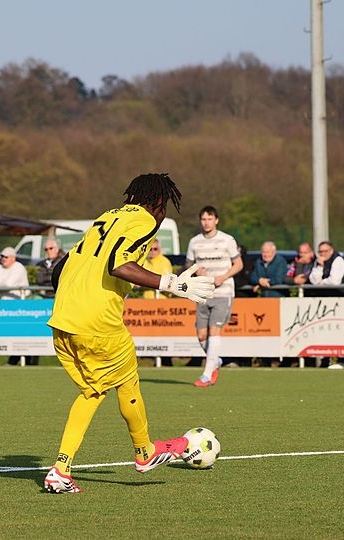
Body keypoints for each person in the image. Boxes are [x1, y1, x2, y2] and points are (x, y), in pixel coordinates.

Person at [43, 172, 215, 494]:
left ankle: (60, 470)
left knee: (93, 391)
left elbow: (59, 270)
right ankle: (144, 452)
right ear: (159, 203)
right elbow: (119, 265)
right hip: (97, 322)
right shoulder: (145, 220)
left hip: (63, 319)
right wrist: (174, 284)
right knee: (128, 379)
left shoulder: (106, 218)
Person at [185, 206, 243, 387]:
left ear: (216, 220)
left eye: (210, 219)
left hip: (223, 292)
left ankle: (207, 375)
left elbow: (238, 264)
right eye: (203, 219)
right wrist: (196, 271)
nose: (206, 223)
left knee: (214, 330)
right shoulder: (194, 242)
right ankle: (215, 361)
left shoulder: (227, 240)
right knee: (201, 335)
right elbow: (188, 265)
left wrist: (223, 277)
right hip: (203, 292)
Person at [0, 246, 32, 365]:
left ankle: (20, 360)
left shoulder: (19, 268)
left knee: (20, 334)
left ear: (13, 258)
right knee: (9, 334)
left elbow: (9, 284)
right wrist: (1, 285)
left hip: (20, 307)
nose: (3, 259)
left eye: (6, 257)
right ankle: (12, 360)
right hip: (5, 307)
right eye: (2, 256)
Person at [309, 241, 344, 368]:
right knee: (327, 332)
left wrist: (321, 283)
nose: (322, 254)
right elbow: (313, 280)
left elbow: (335, 281)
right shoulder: (318, 262)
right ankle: (326, 359)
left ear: (331, 251)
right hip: (328, 302)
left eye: (325, 251)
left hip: (342, 300)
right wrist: (320, 267)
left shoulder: (338, 260)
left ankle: (343, 360)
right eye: (320, 251)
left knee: (341, 332)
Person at [141, 238, 175, 366]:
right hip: (147, 305)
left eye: (155, 249)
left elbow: (166, 283)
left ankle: (167, 361)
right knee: (150, 335)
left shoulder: (164, 262)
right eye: (150, 249)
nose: (152, 252)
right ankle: (155, 360)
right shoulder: (145, 261)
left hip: (161, 304)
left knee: (163, 335)